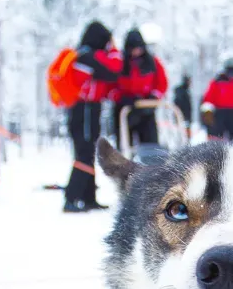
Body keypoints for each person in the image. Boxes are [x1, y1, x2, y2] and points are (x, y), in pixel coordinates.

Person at [64, 21, 122, 213]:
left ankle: (89, 197)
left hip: (87, 108)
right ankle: (71, 198)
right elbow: (113, 71)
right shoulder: (86, 56)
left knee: (89, 151)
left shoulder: (85, 54)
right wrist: (113, 50)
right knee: (85, 150)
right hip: (85, 108)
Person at [112, 28, 169, 150]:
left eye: (139, 48)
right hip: (125, 110)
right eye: (133, 49)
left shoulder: (152, 62)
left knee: (150, 146)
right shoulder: (120, 62)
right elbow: (111, 86)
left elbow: (162, 83)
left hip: (146, 108)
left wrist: (154, 96)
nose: (136, 52)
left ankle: (151, 167)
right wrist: (122, 98)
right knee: (125, 146)